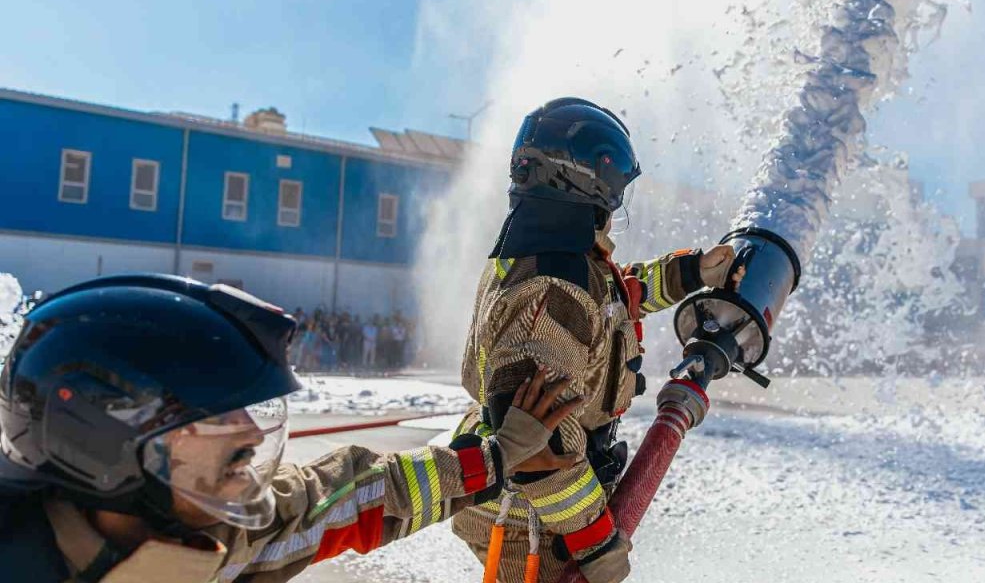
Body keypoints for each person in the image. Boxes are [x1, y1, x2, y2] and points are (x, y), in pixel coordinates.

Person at [0, 274, 583, 582]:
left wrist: (497, 458)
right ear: (107, 444)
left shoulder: (214, 539)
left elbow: (354, 496)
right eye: (215, 417)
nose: (250, 436)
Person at [450, 97, 742, 583]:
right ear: (585, 184)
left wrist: (690, 271)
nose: (615, 205)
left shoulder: (562, 260)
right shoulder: (551, 289)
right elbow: (536, 454)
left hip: (537, 506)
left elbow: (614, 299)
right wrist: (595, 543)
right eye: (613, 190)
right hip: (530, 521)